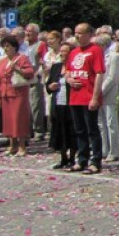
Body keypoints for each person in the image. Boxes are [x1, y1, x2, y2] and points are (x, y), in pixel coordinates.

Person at [66, 24, 106, 174]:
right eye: (76, 33)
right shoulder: (74, 52)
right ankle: (82, 159)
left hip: (88, 96)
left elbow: (99, 74)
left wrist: (95, 97)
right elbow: (68, 71)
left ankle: (96, 161)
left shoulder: (95, 50)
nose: (77, 36)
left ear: (89, 34)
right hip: (75, 96)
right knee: (79, 130)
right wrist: (69, 79)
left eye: (81, 33)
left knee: (92, 130)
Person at [0, 36, 35, 157]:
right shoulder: (2, 61)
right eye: (4, 46)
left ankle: (22, 145)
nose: (6, 48)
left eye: (8, 46)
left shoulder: (22, 58)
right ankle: (12, 145)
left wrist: (17, 69)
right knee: (8, 120)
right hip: (5, 93)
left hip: (18, 93)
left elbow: (30, 72)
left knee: (19, 119)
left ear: (14, 47)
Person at [46, 41, 75, 170]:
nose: (63, 54)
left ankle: (73, 158)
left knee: (71, 130)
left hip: (70, 103)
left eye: (66, 51)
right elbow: (48, 84)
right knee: (59, 130)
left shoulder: (74, 67)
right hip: (57, 102)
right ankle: (63, 157)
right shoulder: (56, 67)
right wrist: (50, 87)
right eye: (61, 51)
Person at [95, 34, 119, 163]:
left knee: (110, 122)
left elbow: (112, 77)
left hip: (109, 93)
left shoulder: (114, 57)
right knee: (101, 123)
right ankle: (104, 149)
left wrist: (100, 91)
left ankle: (114, 151)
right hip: (98, 93)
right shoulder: (97, 57)